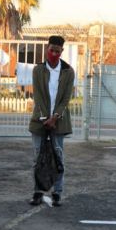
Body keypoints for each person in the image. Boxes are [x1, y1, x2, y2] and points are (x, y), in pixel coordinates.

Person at [28, 35, 75, 207]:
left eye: (57, 51)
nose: (54, 53)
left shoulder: (68, 72)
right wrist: (45, 118)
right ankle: (38, 193)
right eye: (51, 50)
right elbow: (38, 96)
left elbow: (66, 99)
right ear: (47, 49)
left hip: (59, 122)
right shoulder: (38, 70)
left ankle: (57, 193)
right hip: (39, 121)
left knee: (58, 158)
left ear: (62, 51)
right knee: (38, 158)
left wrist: (55, 117)